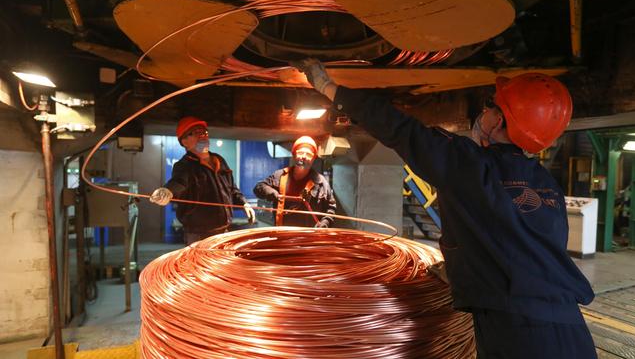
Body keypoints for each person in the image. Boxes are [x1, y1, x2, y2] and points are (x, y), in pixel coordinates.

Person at [293, 59, 596, 358]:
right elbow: (522, 243)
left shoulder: (469, 163)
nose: (484, 112)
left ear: (499, 121)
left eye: (491, 105)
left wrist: (328, 87)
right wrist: (463, 267)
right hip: (571, 329)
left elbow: (400, 128)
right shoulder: (546, 184)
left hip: (517, 333)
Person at [150, 116, 255, 245]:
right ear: (184, 141)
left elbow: (232, 189)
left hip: (224, 231)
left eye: (204, 132)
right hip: (199, 236)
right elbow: (178, 182)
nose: (202, 135)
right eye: (196, 133)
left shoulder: (219, 160)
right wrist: (167, 191)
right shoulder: (185, 165)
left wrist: (244, 203)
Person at [254, 136, 336, 227]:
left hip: (309, 237)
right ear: (294, 155)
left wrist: (325, 222)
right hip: (283, 234)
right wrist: (271, 192)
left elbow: (330, 208)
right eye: (300, 153)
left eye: (308, 154)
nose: (304, 157)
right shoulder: (280, 176)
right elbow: (259, 187)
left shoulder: (321, 183)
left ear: (313, 158)